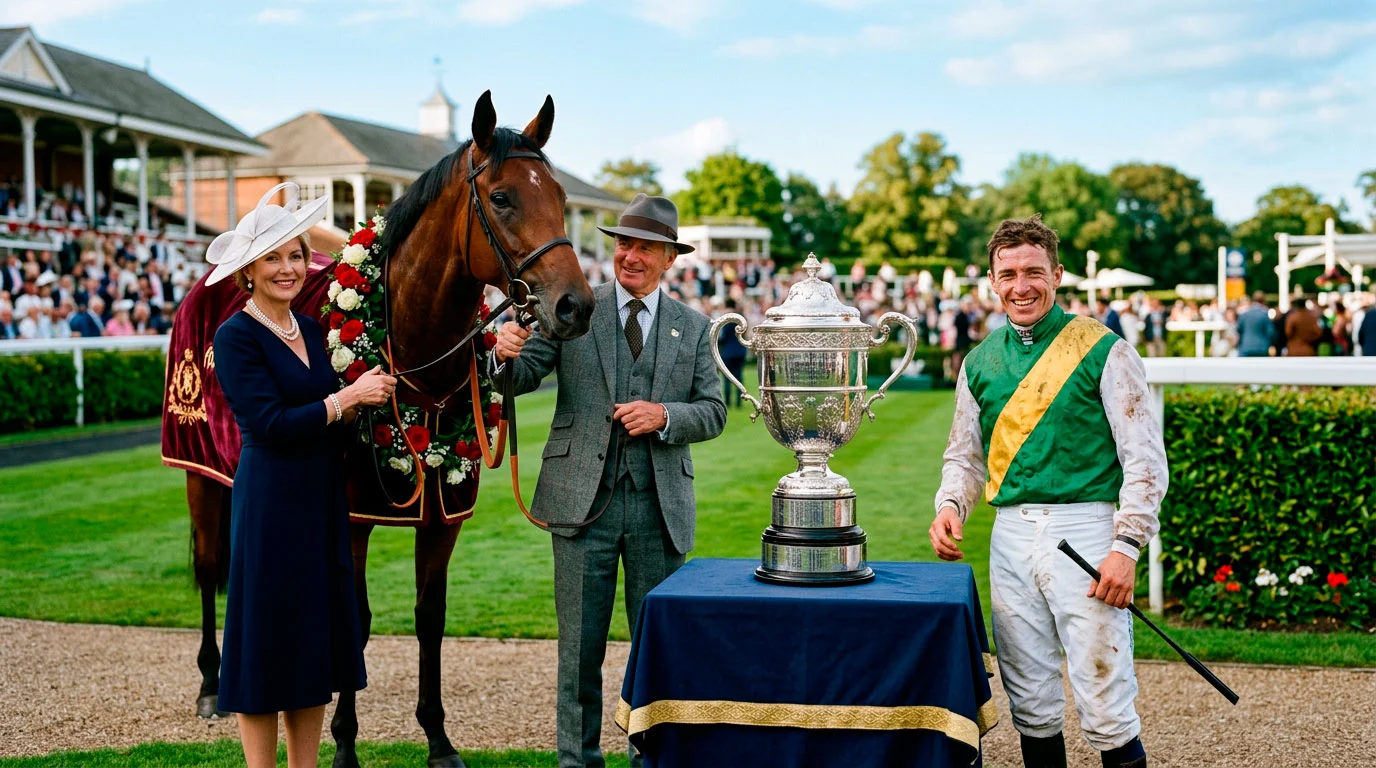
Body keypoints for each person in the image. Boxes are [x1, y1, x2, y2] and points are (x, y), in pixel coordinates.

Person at [492, 194, 726, 768]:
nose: (632, 256)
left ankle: (653, 757)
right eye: (624, 244)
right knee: (577, 651)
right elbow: (519, 379)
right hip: (578, 504)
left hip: (659, 509)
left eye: (646, 247)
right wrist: (502, 354)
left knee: (657, 650)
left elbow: (714, 411)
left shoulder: (694, 329)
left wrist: (664, 416)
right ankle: (577, 761)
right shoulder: (576, 307)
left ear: (670, 258)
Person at [930, 215, 1164, 768]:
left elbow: (1146, 460)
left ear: (1057, 275)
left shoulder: (1105, 349)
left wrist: (1127, 547)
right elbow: (964, 454)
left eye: (1034, 272)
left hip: (1086, 530)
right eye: (1008, 274)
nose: (1021, 286)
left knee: (1107, 707)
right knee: (1030, 703)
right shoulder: (979, 361)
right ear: (992, 281)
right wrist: (949, 504)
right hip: (1010, 537)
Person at [207, 183, 392, 768]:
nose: (288, 269)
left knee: (312, 642)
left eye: (296, 255)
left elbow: (329, 421)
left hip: (319, 500)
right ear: (249, 271)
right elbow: (269, 423)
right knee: (266, 643)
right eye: (274, 258)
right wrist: (347, 399)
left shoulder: (313, 331)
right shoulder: (235, 335)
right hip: (271, 504)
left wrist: (374, 403)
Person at [717, 297, 748, 408]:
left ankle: (729, 401)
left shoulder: (725, 318)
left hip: (728, 351)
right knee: (739, 376)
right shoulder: (740, 317)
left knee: (727, 378)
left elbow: (722, 337)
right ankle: (740, 400)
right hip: (740, 350)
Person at [1235, 291, 1273, 357]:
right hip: (1262, 348)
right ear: (1263, 300)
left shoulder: (1244, 314)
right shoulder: (1264, 314)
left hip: (1246, 347)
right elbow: (1270, 332)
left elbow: (1238, 329)